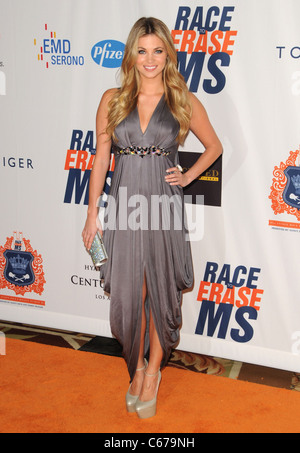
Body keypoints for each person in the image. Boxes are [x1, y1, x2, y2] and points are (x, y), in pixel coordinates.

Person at [82, 17, 222, 419]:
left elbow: (213, 146)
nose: (149, 59)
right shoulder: (113, 99)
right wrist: (92, 213)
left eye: (157, 51)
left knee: (161, 290)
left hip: (163, 205)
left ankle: (153, 372)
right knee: (129, 296)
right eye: (142, 51)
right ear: (131, 54)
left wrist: (189, 175)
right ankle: (137, 364)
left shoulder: (181, 99)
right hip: (125, 205)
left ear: (167, 54)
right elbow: (101, 159)